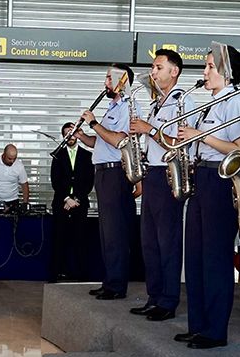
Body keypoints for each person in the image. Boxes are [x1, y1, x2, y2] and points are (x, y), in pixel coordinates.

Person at [177, 43, 240, 348]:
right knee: (194, 256)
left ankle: (215, 330)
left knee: (216, 258)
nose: (204, 72)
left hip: (221, 178)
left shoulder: (234, 102)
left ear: (226, 71)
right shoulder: (209, 103)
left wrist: (200, 137)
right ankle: (198, 324)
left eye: (210, 66)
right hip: (201, 175)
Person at [128, 49, 188, 321]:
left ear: (173, 71)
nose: (153, 72)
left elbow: (180, 143)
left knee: (168, 241)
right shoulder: (156, 104)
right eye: (153, 67)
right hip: (152, 174)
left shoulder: (181, 102)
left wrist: (148, 130)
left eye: (158, 67)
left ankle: (168, 299)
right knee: (149, 241)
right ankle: (154, 296)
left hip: (168, 175)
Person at [76, 64, 136, 300]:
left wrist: (93, 123)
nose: (106, 83)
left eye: (110, 78)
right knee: (106, 232)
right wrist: (81, 136)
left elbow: (118, 140)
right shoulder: (112, 107)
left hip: (115, 174)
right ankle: (110, 280)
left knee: (115, 232)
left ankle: (117, 285)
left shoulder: (127, 108)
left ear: (123, 81)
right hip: (101, 172)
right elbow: (99, 142)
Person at [50, 120, 94, 282]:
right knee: (59, 239)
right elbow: (55, 180)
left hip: (80, 204)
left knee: (80, 239)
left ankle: (80, 274)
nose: (70, 136)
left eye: (72, 132)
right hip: (61, 203)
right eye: (67, 133)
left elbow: (89, 182)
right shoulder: (57, 155)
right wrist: (66, 198)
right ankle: (56, 274)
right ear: (63, 136)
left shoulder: (88, 155)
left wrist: (76, 199)